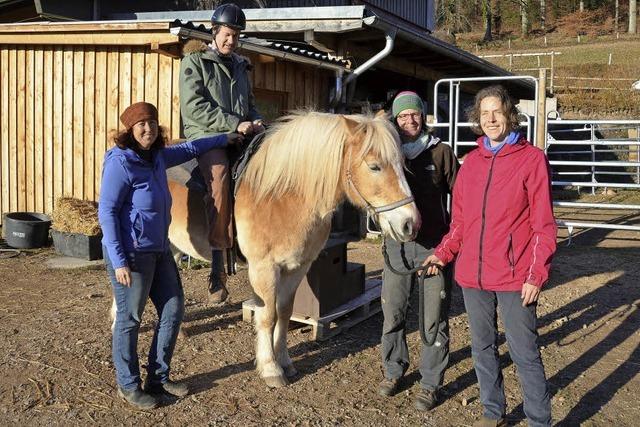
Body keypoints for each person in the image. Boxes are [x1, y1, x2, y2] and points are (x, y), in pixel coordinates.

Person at [425, 85, 557, 427]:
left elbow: (543, 224)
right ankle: (492, 412)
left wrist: (536, 274)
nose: (491, 119)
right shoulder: (471, 164)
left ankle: (539, 419)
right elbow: (461, 223)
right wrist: (443, 253)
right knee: (482, 347)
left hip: (514, 276)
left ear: (509, 114)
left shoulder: (532, 160)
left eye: (497, 111)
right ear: (477, 120)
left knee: (524, 351)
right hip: (473, 275)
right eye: (484, 114)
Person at [99, 102, 241, 410]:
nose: (148, 129)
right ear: (129, 130)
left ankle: (158, 378)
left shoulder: (159, 157)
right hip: (132, 253)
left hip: (159, 249)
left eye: (152, 123)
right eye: (141, 125)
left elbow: (192, 146)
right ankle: (128, 385)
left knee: (174, 308)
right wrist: (119, 260)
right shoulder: (120, 162)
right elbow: (107, 212)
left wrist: (223, 138)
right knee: (130, 318)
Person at [378, 91, 459, 411]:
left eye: (414, 115)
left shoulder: (441, 153)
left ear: (422, 116)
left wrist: (452, 242)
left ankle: (429, 382)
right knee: (393, 313)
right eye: (402, 116)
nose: (409, 121)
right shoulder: (389, 153)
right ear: (395, 121)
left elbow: (462, 197)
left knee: (432, 319)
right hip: (396, 249)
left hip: (433, 250)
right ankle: (394, 368)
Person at [179, 2, 263, 304]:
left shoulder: (241, 65)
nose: (231, 40)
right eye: (227, 34)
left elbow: (250, 102)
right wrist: (233, 124)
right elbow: (195, 107)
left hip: (239, 133)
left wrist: (256, 120)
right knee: (219, 176)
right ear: (215, 31)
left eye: (236, 35)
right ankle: (216, 267)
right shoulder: (194, 62)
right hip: (208, 136)